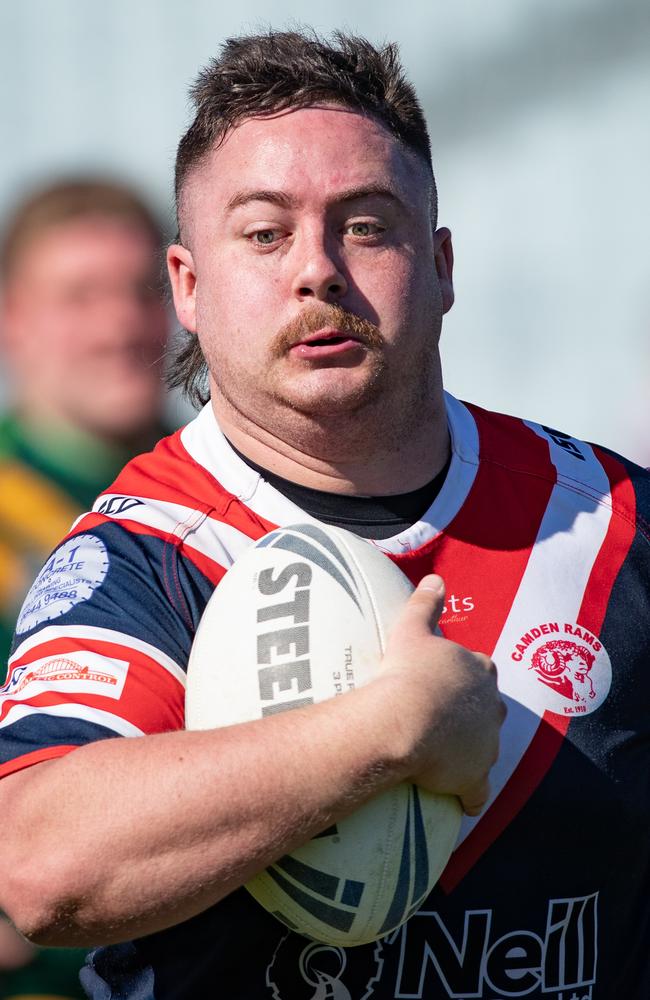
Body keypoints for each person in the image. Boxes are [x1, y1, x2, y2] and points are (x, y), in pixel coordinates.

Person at [0, 29, 647, 1000]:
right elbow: (41, 868)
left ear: (440, 267)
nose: (317, 270)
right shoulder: (145, 555)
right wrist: (384, 731)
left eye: (365, 225)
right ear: (187, 285)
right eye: (264, 233)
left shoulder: (612, 522)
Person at [0, 179, 169, 999]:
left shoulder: (252, 494)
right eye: (80, 296)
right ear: (12, 319)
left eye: (142, 291)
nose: (120, 327)